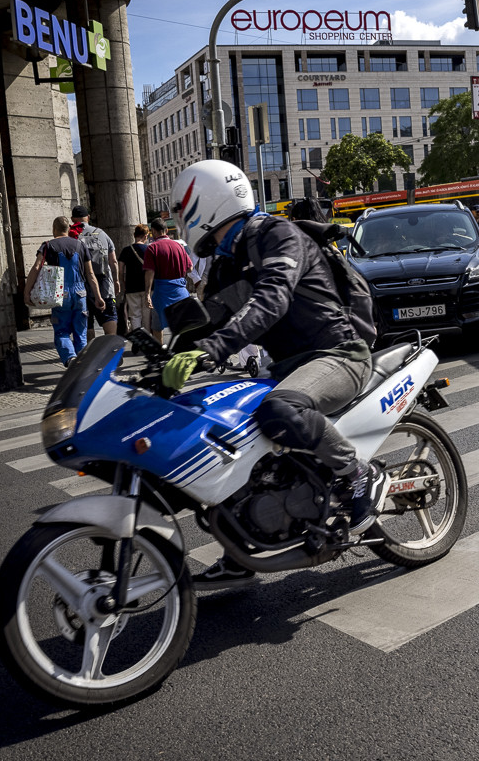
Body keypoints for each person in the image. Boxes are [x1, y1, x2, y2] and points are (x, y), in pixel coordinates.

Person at [163, 159, 386, 589]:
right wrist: (166, 351)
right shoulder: (228, 258)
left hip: (337, 354)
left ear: (203, 202)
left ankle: (356, 473)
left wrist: (212, 349)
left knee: (280, 408)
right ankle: (241, 551)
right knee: (221, 435)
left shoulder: (279, 235)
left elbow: (271, 300)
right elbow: (213, 315)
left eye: (179, 209)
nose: (177, 219)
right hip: (284, 366)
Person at [22, 216, 104, 367]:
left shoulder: (47, 246)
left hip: (60, 294)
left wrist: (27, 292)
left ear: (54, 230)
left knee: (61, 332)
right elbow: (90, 274)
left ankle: (70, 358)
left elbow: (36, 268)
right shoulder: (81, 245)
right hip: (80, 294)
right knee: (81, 333)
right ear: (68, 229)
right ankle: (81, 365)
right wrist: (98, 296)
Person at [72, 205, 120, 340]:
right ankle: (112, 349)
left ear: (73, 219)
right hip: (105, 285)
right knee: (109, 315)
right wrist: (116, 281)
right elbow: (113, 261)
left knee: (87, 322)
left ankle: (91, 353)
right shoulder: (101, 233)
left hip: (82, 287)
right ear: (87, 218)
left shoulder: (72, 236)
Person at [142, 218, 193, 344]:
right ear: (166, 230)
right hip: (181, 292)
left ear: (153, 231)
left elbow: (150, 272)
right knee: (183, 326)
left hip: (161, 294)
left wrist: (147, 294)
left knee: (157, 327)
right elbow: (190, 268)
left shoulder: (152, 248)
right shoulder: (179, 246)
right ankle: (182, 353)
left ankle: (160, 354)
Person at [118, 224, 153, 335]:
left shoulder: (126, 250)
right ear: (146, 236)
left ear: (134, 235)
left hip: (131, 288)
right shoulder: (149, 250)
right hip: (148, 287)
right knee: (147, 315)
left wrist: (123, 284)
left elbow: (120, 270)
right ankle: (147, 338)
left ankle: (137, 338)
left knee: (134, 315)